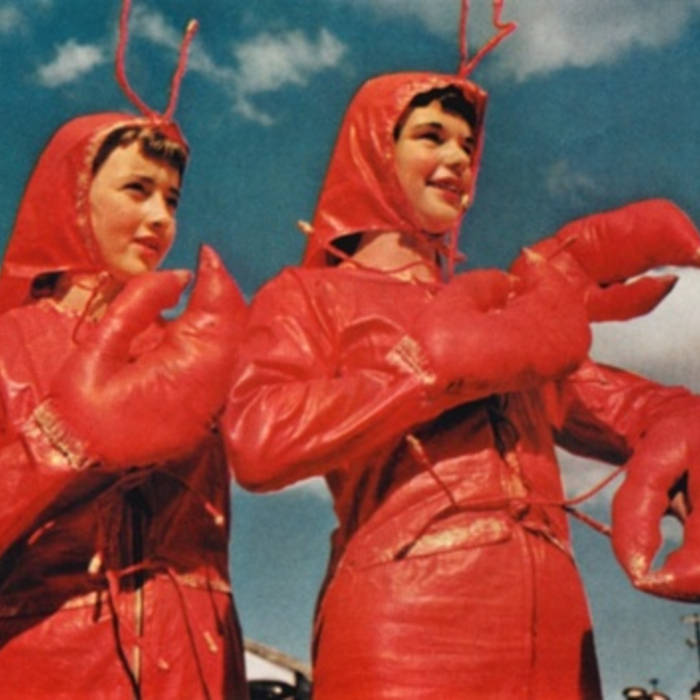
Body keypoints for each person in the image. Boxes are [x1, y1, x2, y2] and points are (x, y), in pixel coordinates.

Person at [221, 54, 700, 700]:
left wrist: (674, 420)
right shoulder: (309, 294)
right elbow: (258, 438)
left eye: (468, 146)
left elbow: (600, 399)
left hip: (555, 628)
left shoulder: (498, 312)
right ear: (373, 151)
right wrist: (421, 374)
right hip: (406, 620)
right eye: (431, 137)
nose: (458, 160)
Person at [0, 3, 249, 697]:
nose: (160, 218)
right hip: (52, 664)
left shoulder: (186, 352)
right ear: (72, 195)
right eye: (137, 190)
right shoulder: (7, 343)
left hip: (196, 667)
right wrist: (61, 442)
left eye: (172, 198)